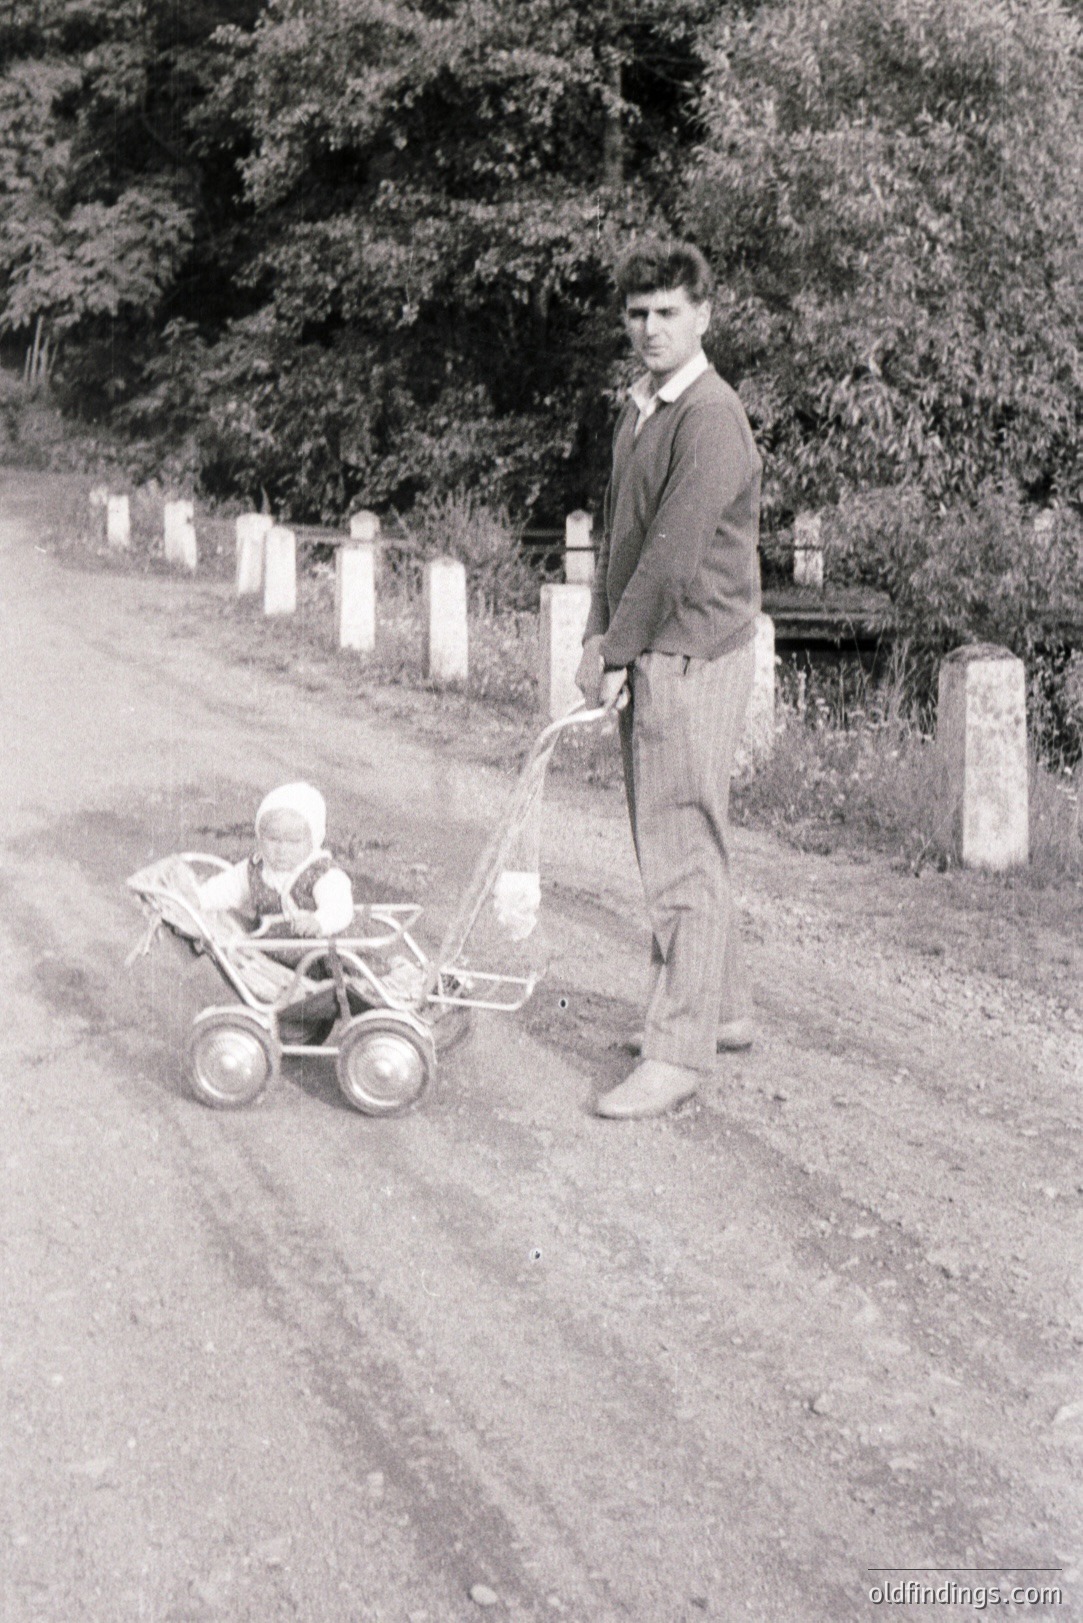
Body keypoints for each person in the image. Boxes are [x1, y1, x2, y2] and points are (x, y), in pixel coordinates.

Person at [575, 238, 762, 1120]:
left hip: (691, 649)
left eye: (667, 313)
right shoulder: (642, 405)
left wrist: (615, 653)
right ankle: (718, 1008)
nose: (650, 329)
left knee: (680, 844)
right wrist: (596, 638)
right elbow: (620, 543)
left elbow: (674, 558)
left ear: (703, 316)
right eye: (637, 314)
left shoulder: (710, 415)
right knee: (678, 835)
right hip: (650, 642)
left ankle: (678, 1053)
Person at [196, 782, 355, 939]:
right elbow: (226, 889)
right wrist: (198, 900)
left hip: (317, 949)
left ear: (314, 840)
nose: (282, 850)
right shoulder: (257, 868)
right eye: (273, 839)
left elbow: (339, 907)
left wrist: (319, 921)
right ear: (260, 836)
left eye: (294, 842)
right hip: (272, 946)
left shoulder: (321, 873)